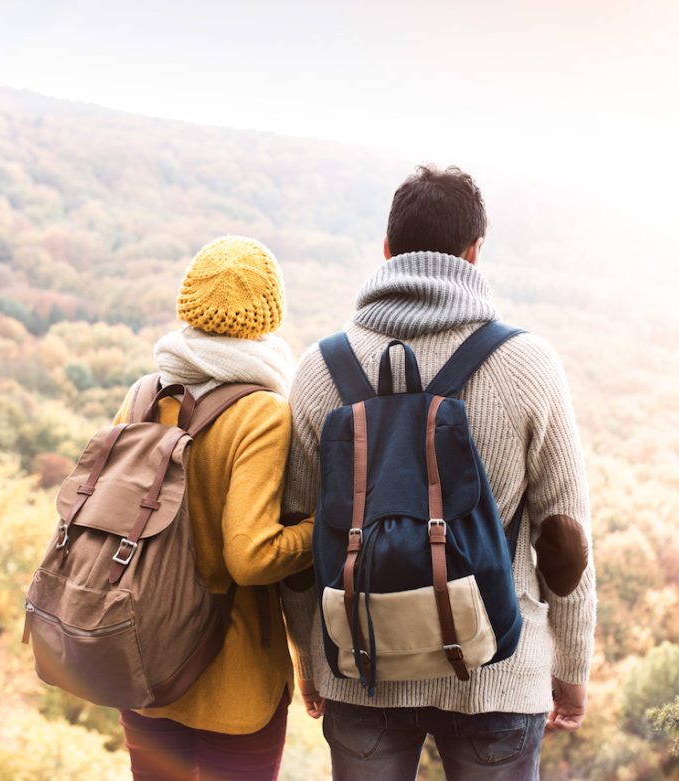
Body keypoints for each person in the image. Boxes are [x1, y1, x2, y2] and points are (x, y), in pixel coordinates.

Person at [281, 166, 596, 779]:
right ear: (474, 253)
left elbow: (297, 541)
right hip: (497, 674)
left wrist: (310, 656)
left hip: (360, 663)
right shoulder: (526, 364)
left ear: (386, 251)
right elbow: (564, 538)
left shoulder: (319, 371)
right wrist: (570, 669)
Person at [113, 235, 314, 781]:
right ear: (268, 316)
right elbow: (249, 557)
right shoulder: (262, 412)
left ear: (190, 304)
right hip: (234, 678)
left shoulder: (143, 396)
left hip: (143, 663)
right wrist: (324, 531)